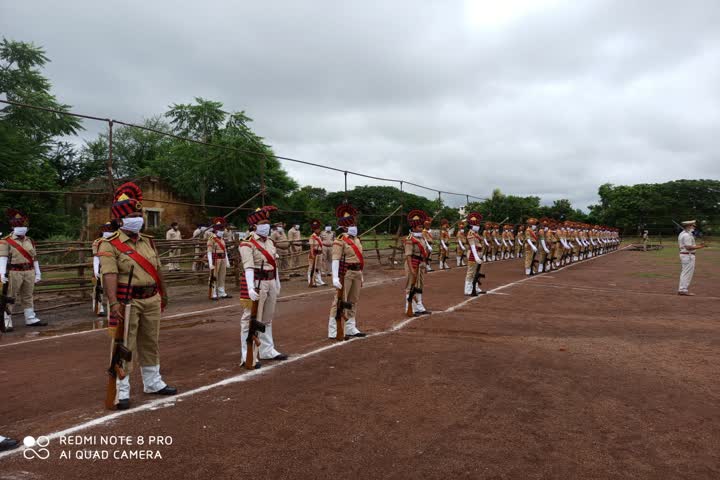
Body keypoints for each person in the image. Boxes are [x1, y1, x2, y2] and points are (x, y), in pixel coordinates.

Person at [99, 182, 176, 410]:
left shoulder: (148, 241)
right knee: (125, 343)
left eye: (139, 213)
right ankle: (122, 389)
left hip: (151, 297)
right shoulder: (109, 244)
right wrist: (113, 303)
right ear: (121, 220)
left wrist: (163, 294)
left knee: (151, 341)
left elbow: (158, 269)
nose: (138, 218)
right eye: (133, 214)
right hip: (127, 301)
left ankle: (153, 382)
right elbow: (109, 274)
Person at [239, 206, 288, 365]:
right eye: (263, 223)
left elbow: (274, 264)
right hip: (257, 283)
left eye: (268, 222)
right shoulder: (247, 244)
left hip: (271, 281)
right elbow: (248, 267)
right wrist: (251, 288)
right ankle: (247, 354)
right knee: (250, 319)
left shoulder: (270, 242)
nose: (267, 225)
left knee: (267, 318)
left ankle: (267, 350)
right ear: (254, 225)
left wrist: (278, 282)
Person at [1, 209, 47, 331]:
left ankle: (30, 318)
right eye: (19, 225)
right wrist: (1, 274)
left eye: (23, 225)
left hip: (29, 271)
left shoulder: (30, 240)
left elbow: (34, 257)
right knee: (10, 296)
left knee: (28, 295)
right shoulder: (5, 241)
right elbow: (3, 258)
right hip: (14, 271)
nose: (22, 227)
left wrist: (38, 272)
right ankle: (6, 320)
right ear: (12, 226)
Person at [328, 204, 366, 339]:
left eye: (354, 224)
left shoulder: (357, 240)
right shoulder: (340, 241)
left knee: (353, 300)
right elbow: (336, 259)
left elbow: (359, 258)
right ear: (345, 227)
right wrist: (335, 278)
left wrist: (361, 274)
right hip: (346, 273)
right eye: (352, 224)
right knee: (339, 301)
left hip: (357, 272)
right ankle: (333, 330)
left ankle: (350, 327)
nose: (354, 226)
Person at [404, 210, 432, 315]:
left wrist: (424, 264)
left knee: (419, 286)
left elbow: (423, 253)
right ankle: (410, 308)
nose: (421, 229)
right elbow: (408, 255)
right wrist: (411, 270)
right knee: (410, 287)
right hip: (412, 263)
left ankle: (420, 306)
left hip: (420, 264)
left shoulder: (422, 238)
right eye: (420, 227)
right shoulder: (410, 239)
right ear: (414, 227)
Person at [91, 221, 117, 316]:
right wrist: (95, 270)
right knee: (98, 288)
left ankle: (113, 306)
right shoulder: (97, 242)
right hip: (100, 267)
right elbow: (96, 257)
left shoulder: (116, 241)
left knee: (113, 287)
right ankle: (99, 308)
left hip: (113, 266)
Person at [677, 220, 707, 296]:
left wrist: (698, 244)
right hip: (688, 255)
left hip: (686, 255)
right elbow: (688, 247)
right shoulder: (686, 235)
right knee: (687, 273)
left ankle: (682, 289)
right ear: (688, 226)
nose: (694, 227)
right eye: (693, 226)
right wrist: (700, 246)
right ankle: (683, 289)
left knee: (685, 272)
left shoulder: (684, 234)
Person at [207, 217, 232, 300]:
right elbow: (209, 251)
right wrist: (210, 263)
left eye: (222, 229)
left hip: (223, 258)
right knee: (214, 276)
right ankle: (213, 293)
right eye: (220, 230)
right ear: (216, 230)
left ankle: (221, 292)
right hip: (215, 259)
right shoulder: (211, 238)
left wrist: (227, 261)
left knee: (222, 276)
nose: (222, 231)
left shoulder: (222, 239)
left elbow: (225, 250)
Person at [464, 212, 485, 295]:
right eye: (477, 225)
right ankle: (467, 289)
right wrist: (476, 257)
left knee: (476, 272)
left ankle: (475, 287)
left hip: (478, 253)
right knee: (471, 272)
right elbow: (472, 246)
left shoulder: (476, 233)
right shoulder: (470, 233)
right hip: (473, 254)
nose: (478, 226)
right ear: (472, 225)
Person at [307, 219, 326, 287]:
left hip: (319, 253)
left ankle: (318, 280)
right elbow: (311, 246)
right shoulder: (312, 236)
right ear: (314, 230)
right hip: (314, 253)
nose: (319, 230)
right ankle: (310, 281)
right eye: (317, 229)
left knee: (318, 268)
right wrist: (312, 255)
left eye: (318, 229)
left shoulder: (319, 236)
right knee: (311, 267)